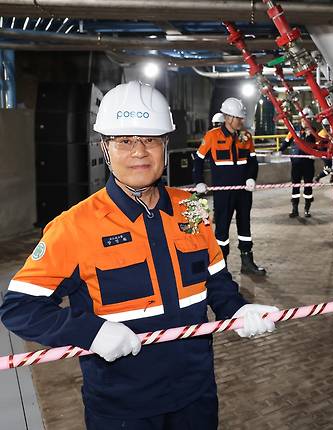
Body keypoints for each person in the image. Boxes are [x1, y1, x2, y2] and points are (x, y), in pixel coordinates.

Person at [0, 81, 279, 430]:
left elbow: (216, 281)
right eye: (124, 141)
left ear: (165, 145)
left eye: (150, 139)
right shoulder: (74, 227)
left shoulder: (190, 209)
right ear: (105, 148)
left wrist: (237, 309)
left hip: (196, 396)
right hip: (123, 410)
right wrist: (90, 332)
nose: (139, 152)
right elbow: (19, 309)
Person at [194, 97, 266, 276]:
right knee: (222, 230)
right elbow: (198, 161)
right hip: (223, 193)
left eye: (241, 117)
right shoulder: (212, 136)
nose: (241, 120)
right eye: (238, 118)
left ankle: (247, 261)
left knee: (245, 226)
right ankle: (221, 267)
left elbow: (253, 162)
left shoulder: (246, 136)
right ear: (228, 117)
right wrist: (199, 182)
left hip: (243, 192)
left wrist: (251, 178)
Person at [280, 107, 317, 218]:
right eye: (305, 119)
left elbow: (320, 145)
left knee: (308, 187)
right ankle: (295, 209)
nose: (307, 121)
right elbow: (286, 142)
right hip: (296, 163)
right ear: (301, 119)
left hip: (308, 164)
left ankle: (307, 209)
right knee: (295, 186)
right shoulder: (294, 130)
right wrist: (278, 151)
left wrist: (311, 135)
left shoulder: (314, 131)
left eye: (309, 119)